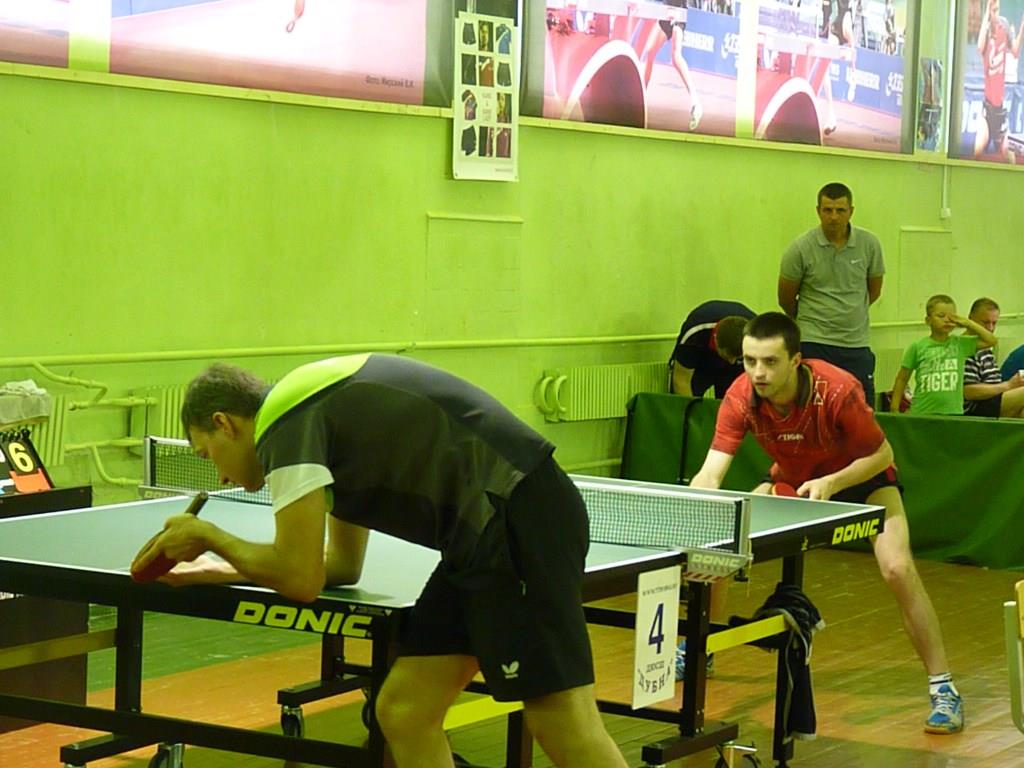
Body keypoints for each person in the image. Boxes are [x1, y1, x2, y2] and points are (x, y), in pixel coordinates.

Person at [134, 354, 630, 768]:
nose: (219, 476)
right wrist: (222, 570)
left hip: (515, 516)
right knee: (405, 710)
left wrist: (211, 537)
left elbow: (300, 578)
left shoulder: (285, 425)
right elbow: (340, 567)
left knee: (559, 719)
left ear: (225, 423)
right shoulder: (315, 421)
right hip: (479, 539)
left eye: (207, 454)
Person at [689, 311, 963, 734]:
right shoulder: (741, 396)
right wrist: (694, 516)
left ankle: (944, 688)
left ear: (795, 360)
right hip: (796, 480)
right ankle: (699, 649)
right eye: (749, 361)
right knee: (722, 540)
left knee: (897, 568)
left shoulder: (837, 390)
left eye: (770, 362)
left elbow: (883, 454)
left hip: (862, 479)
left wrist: (833, 482)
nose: (758, 373)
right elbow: (710, 474)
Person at [778, 182, 884, 405]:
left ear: (851, 211)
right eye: (827, 210)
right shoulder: (800, 248)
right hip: (813, 342)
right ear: (818, 211)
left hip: (856, 344)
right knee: (813, 409)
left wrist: (851, 312)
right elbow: (786, 299)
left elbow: (873, 291)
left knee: (861, 411)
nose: (834, 217)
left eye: (840, 210)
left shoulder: (870, 244)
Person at [890, 294, 996, 416]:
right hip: (922, 411)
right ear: (928, 320)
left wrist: (967, 323)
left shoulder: (960, 344)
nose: (946, 320)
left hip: (953, 413)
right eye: (941, 316)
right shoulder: (917, 347)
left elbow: (991, 340)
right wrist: (894, 408)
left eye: (951, 317)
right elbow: (902, 378)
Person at [637, 0, 704, 131]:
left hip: (678, 13)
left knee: (676, 56)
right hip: (665, 12)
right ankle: (641, 98)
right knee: (650, 51)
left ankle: (696, 103)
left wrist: (676, 12)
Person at [668, 300, 755, 397]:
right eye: (728, 356)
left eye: (738, 357)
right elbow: (681, 381)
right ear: (715, 341)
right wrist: (690, 406)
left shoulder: (759, 335)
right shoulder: (694, 335)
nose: (732, 361)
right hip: (701, 358)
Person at [974, 0, 1024, 161]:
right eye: (993, 11)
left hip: (1000, 112)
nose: (996, 14)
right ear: (989, 12)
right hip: (987, 111)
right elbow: (979, 47)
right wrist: (986, 16)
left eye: (998, 9)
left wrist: (1022, 28)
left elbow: (1015, 51)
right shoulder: (986, 31)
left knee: (1009, 158)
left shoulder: (1005, 26)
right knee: (977, 152)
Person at [962, 297, 1024, 418]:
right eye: (985, 322)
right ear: (971, 320)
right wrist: (1008, 385)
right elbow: (969, 392)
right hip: (975, 407)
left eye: (994, 323)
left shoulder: (985, 347)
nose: (990, 328)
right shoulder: (965, 348)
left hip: (994, 399)